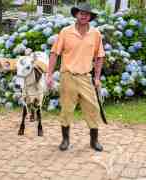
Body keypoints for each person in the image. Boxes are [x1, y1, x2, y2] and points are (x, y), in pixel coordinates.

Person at [46, 2, 105, 152]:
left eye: (87, 14)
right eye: (81, 13)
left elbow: (99, 56)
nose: (84, 15)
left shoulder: (96, 34)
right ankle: (65, 140)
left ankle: (94, 141)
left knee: (93, 108)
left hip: (86, 77)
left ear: (90, 17)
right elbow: (54, 53)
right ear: (76, 14)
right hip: (68, 76)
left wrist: (97, 78)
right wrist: (49, 75)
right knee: (66, 109)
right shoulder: (65, 32)